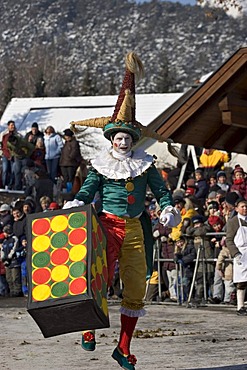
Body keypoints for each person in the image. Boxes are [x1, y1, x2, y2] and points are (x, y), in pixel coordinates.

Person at [64, 52, 181, 370]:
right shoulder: (101, 165)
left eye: (127, 137)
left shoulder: (145, 165)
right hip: (107, 225)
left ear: (132, 140)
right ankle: (88, 328)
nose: (122, 141)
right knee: (97, 279)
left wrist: (168, 208)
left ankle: (123, 348)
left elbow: (161, 192)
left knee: (134, 288)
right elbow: (89, 188)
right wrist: (78, 201)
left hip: (135, 229)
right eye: (117, 137)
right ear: (111, 140)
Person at [225, 197, 247, 315]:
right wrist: (235, 253)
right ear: (237, 208)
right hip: (240, 252)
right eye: (242, 207)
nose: (244, 209)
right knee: (241, 281)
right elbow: (229, 240)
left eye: (246, 206)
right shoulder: (233, 222)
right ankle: (240, 306)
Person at [0, 224, 22, 297]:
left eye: (5, 232)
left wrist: (10, 256)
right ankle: (12, 291)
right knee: (8, 278)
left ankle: (17, 291)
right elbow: (2, 249)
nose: (4, 234)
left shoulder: (14, 238)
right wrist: (3, 257)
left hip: (14, 260)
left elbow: (14, 248)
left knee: (15, 277)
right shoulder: (4, 241)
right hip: (6, 262)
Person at [0, 120, 16, 189]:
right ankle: (4, 184)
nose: (13, 126)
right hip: (5, 154)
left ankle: (10, 185)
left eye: (13, 125)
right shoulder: (4, 134)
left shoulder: (17, 135)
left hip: (14, 155)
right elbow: (2, 145)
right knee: (5, 170)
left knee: (13, 170)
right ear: (8, 126)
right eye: (11, 125)